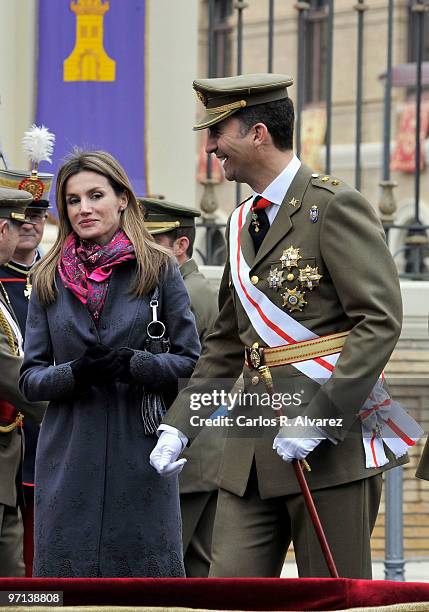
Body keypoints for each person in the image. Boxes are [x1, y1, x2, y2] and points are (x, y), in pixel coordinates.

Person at [149, 74, 419, 578]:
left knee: (332, 599)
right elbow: (229, 342)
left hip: (330, 448)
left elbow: (379, 320)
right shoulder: (239, 221)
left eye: (218, 132)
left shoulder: (333, 206)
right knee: (228, 596)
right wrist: (180, 424)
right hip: (249, 448)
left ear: (257, 134)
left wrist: (322, 415)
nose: (210, 147)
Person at [19, 150, 200, 578]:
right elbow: (30, 379)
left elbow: (191, 359)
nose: (84, 209)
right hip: (69, 458)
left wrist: (134, 363)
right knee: (67, 592)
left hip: (140, 451)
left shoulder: (157, 268)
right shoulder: (47, 276)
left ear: (122, 198)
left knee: (145, 591)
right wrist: (75, 373)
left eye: (95, 195)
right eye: (73, 200)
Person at [141, 197, 221, 576]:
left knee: (168, 571)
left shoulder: (185, 294)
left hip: (186, 449)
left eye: (152, 242)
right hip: (203, 452)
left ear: (181, 245)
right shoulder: (194, 287)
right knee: (196, 568)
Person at [0, 163, 52, 576]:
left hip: (39, 433)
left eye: (36, 214)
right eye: (21, 216)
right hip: (17, 425)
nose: (29, 224)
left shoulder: (58, 276)